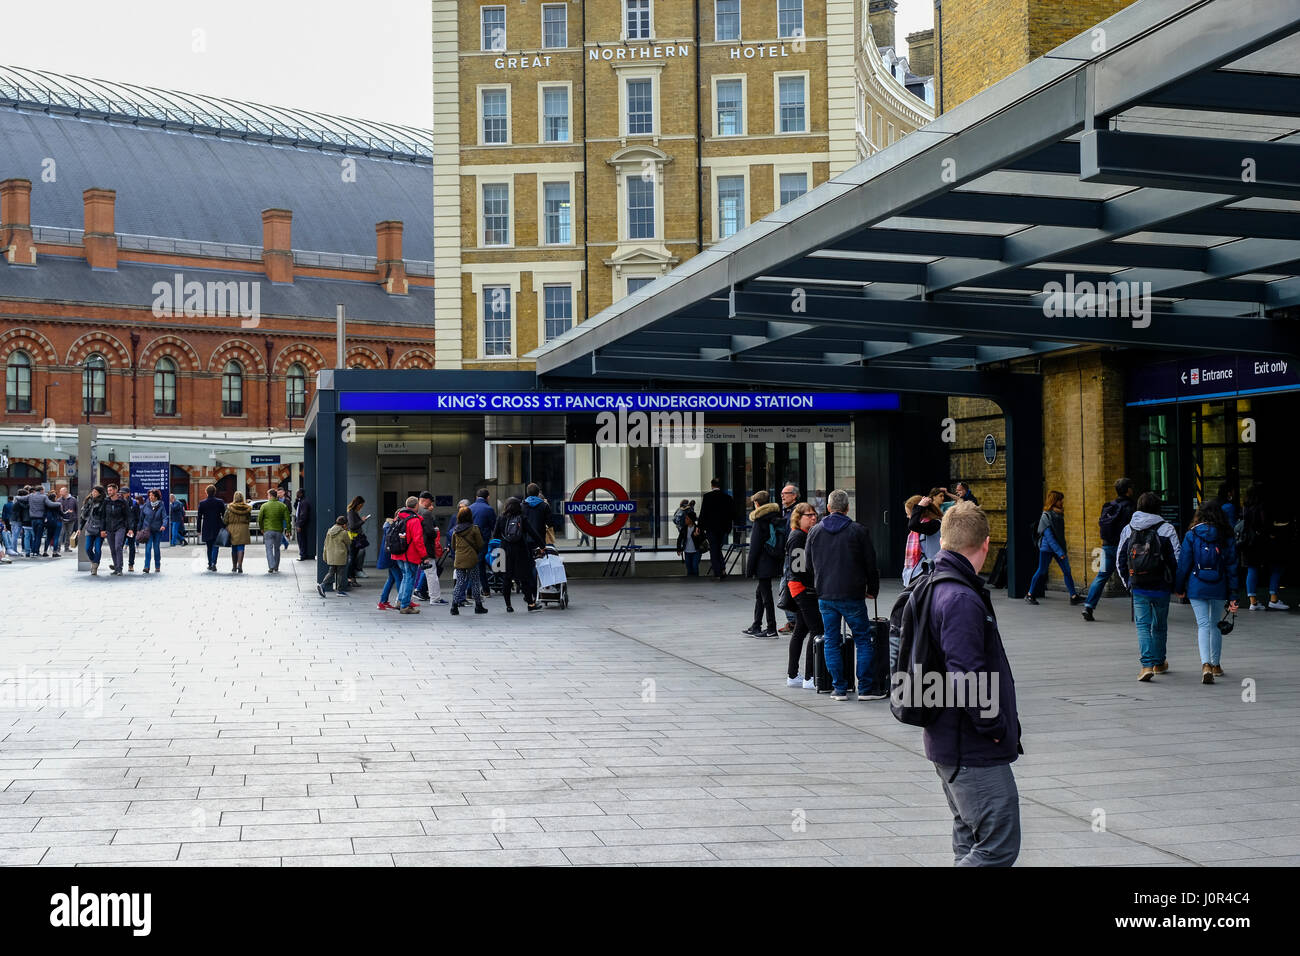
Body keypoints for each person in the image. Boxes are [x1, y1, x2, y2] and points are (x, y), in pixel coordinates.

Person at [922, 501, 1022, 867]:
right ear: (986, 543)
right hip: (972, 746)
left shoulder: (935, 585)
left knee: (969, 841)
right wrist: (993, 726)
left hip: (948, 740)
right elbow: (967, 675)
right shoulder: (961, 597)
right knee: (997, 847)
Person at [806, 490, 882, 700]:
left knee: (831, 639)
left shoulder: (814, 532)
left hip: (825, 594)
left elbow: (808, 565)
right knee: (863, 639)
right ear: (848, 508)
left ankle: (839, 688)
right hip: (853, 593)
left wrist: (819, 582)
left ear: (828, 508)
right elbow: (870, 564)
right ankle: (865, 688)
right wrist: (872, 589)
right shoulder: (858, 531)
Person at [1117, 491, 1181, 681]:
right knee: (1160, 626)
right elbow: (1176, 559)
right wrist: (1176, 584)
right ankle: (1159, 662)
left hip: (1139, 585)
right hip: (1161, 585)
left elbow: (1120, 559)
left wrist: (1128, 583)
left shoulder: (1128, 529)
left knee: (1143, 626)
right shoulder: (1167, 528)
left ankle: (1146, 666)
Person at [1175, 499, 1239, 685]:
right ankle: (1216, 665)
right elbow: (1232, 567)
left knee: (1203, 625)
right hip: (1219, 585)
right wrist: (1234, 595)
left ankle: (1205, 665)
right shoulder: (1226, 535)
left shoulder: (1191, 534)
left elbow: (1183, 564)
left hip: (1197, 585)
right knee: (1214, 624)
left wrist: (1179, 588)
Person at [1081, 478, 1136, 622]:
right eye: (1131, 487)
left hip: (1107, 546)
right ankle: (1138, 609)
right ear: (1128, 490)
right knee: (1133, 575)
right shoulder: (1130, 507)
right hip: (1123, 548)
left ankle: (1088, 606)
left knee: (1101, 577)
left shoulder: (1110, 506)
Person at [784, 502, 821, 689]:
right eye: (809, 515)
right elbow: (798, 568)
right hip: (803, 589)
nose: (814, 517)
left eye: (815, 514)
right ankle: (810, 677)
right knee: (816, 629)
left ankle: (793, 675)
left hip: (802, 587)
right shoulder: (798, 536)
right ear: (799, 518)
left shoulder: (804, 535)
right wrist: (815, 584)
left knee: (801, 630)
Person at [1025, 491, 1083, 605]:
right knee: (1041, 570)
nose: (1062, 502)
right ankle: (1030, 594)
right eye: (1059, 500)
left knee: (1067, 571)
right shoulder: (1046, 516)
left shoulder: (1059, 514)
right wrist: (1060, 552)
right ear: (1054, 501)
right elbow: (1049, 537)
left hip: (1058, 548)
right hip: (1047, 548)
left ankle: (1074, 596)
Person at [1239, 484, 1289, 611]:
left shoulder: (1245, 507)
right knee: (1277, 568)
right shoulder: (1261, 507)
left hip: (1247, 542)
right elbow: (1265, 525)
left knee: (1252, 570)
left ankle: (1253, 602)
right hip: (1261, 544)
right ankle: (1273, 599)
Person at [742, 490, 783, 638]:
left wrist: (749, 569)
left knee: (766, 596)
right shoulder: (775, 516)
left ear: (757, 503)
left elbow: (754, 547)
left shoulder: (759, 520)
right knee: (760, 594)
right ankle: (756, 625)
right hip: (772, 560)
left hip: (762, 563)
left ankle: (771, 628)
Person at [494, 496, 545, 612]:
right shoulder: (522, 518)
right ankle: (530, 604)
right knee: (524, 578)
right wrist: (542, 546)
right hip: (520, 550)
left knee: (506, 578)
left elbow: (495, 535)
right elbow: (533, 533)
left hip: (504, 551)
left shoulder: (501, 518)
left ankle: (508, 606)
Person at [449, 505, 490, 615]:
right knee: (475, 582)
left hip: (459, 560)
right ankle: (478, 606)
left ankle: (454, 606)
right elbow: (480, 544)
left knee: (460, 582)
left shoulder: (455, 530)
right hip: (472, 559)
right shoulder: (474, 528)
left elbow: (453, 546)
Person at [392, 497, 427, 613]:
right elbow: (418, 540)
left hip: (398, 553)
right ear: (416, 506)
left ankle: (400, 601)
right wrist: (424, 556)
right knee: (410, 579)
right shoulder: (414, 520)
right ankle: (405, 606)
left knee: (405, 577)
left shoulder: (399, 517)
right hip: (410, 554)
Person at [697, 478, 734, 580]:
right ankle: (722, 568)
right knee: (717, 547)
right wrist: (728, 527)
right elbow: (731, 514)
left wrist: (699, 527)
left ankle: (718, 571)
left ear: (712, 485)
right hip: (723, 528)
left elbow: (703, 513)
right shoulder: (727, 498)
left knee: (713, 549)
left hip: (711, 528)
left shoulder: (707, 497)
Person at [903, 493, 943, 587]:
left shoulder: (934, 524)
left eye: (909, 514)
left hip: (929, 572)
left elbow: (913, 525)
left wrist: (919, 506)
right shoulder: (923, 526)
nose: (908, 517)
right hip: (922, 572)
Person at [414, 492, 447, 606]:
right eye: (430, 501)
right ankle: (435, 598)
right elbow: (429, 532)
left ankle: (402, 598)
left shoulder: (414, 511)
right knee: (432, 573)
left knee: (409, 574)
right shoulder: (425, 513)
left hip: (413, 548)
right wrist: (435, 531)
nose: (431, 503)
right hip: (426, 547)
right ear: (424, 500)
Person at [776, 484, 799, 634]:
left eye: (786, 493)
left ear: (794, 495)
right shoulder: (787, 512)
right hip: (788, 554)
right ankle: (795, 620)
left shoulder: (796, 512)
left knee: (787, 587)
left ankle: (794, 621)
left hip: (793, 555)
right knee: (788, 586)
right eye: (782, 493)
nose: (783, 496)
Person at [102, 484, 136, 576]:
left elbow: (129, 516)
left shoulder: (122, 502)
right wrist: (102, 529)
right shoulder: (106, 501)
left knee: (118, 546)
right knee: (113, 549)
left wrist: (130, 529)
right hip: (109, 528)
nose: (109, 492)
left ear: (115, 491)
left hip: (120, 527)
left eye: (111, 490)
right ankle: (116, 568)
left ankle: (120, 568)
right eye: (108, 490)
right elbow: (103, 516)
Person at [469, 488, 497, 597]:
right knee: (480, 565)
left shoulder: (470, 508)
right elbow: (494, 526)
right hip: (483, 540)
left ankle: (470, 591)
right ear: (488, 497)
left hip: (470, 541)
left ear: (476, 497)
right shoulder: (489, 509)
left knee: (472, 564)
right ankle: (485, 590)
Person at [258, 486, 291, 573]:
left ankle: (271, 566)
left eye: (268, 495)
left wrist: (261, 528)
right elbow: (288, 519)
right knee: (277, 549)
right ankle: (276, 566)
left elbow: (260, 518)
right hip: (278, 530)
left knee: (268, 548)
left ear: (270, 496)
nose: (267, 497)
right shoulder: (283, 506)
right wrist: (288, 530)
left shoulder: (264, 506)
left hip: (268, 530)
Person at [317, 516, 352, 598]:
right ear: (343, 524)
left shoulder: (329, 531)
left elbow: (325, 544)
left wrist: (325, 555)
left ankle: (322, 585)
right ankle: (340, 591)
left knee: (331, 572)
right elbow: (349, 542)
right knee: (340, 573)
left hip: (331, 555)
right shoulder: (343, 532)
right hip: (340, 555)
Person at [375, 510, 402, 608]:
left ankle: (383, 601)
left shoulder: (388, 526)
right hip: (392, 557)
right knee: (399, 578)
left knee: (391, 579)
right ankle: (402, 600)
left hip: (388, 557)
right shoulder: (392, 527)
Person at [196, 485, 226, 572]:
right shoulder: (220, 502)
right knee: (216, 546)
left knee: (209, 546)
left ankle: (210, 563)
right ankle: (213, 563)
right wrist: (224, 526)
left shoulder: (202, 503)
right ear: (215, 492)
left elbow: (199, 517)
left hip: (206, 526)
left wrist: (198, 529)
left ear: (206, 492)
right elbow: (224, 515)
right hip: (217, 526)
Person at [79, 485, 108, 575]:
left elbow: (105, 517)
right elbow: (83, 516)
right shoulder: (88, 501)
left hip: (100, 528)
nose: (93, 493)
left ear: (100, 493)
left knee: (98, 549)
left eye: (95, 492)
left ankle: (95, 566)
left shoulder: (104, 502)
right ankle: (94, 561)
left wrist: (104, 530)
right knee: (88, 548)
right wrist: (80, 528)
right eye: (93, 491)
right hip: (90, 527)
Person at [137, 489, 167, 573]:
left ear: (156, 496)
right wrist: (138, 530)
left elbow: (165, 517)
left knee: (156, 548)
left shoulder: (161, 506)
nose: (150, 497)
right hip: (147, 530)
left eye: (152, 495)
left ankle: (157, 566)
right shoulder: (145, 506)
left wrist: (163, 525)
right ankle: (146, 567)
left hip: (157, 530)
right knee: (148, 548)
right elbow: (141, 519)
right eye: (149, 495)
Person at [222, 492, 253, 573]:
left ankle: (234, 566)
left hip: (232, 528)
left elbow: (225, 520)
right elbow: (249, 519)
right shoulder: (247, 508)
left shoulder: (229, 507)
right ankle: (240, 565)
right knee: (241, 547)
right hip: (243, 529)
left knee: (234, 548)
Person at [345, 496, 369, 586]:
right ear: (358, 504)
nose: (361, 507)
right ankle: (350, 578)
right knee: (352, 558)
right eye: (361, 505)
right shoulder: (351, 512)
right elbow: (352, 526)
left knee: (354, 558)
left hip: (355, 538)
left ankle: (351, 578)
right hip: (354, 539)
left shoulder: (353, 512)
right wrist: (362, 521)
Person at [675, 508, 706, 577]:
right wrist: (679, 549)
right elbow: (679, 539)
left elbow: (703, 538)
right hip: (687, 552)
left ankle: (696, 582)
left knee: (695, 567)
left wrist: (697, 536)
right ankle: (689, 583)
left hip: (696, 551)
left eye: (687, 518)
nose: (685, 520)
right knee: (689, 569)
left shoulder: (697, 528)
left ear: (691, 520)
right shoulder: (684, 528)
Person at [521, 483, 550, 548]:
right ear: (538, 493)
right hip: (540, 538)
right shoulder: (544, 506)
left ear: (527, 493)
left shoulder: (521, 506)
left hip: (525, 538)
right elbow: (550, 523)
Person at [294, 489, 314, 560]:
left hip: (302, 524)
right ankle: (302, 554)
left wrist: (299, 525)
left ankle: (303, 555)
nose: (296, 494)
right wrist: (296, 500)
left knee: (301, 540)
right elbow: (295, 507)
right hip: (299, 523)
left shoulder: (304, 502)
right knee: (300, 540)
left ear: (301, 494)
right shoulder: (300, 501)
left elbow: (303, 515)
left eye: (298, 493)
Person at [43, 487, 63, 556]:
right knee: (56, 537)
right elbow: (61, 513)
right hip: (57, 522)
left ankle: (45, 551)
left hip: (49, 522)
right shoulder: (57, 504)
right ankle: (54, 552)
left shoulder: (46, 505)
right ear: (55, 498)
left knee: (48, 537)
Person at [58, 486, 77, 553]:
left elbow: (76, 509)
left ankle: (66, 547)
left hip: (71, 519)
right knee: (61, 533)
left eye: (61, 491)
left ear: (66, 492)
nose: (60, 493)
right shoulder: (59, 500)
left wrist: (75, 516)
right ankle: (58, 548)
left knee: (69, 533)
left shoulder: (73, 499)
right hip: (62, 519)